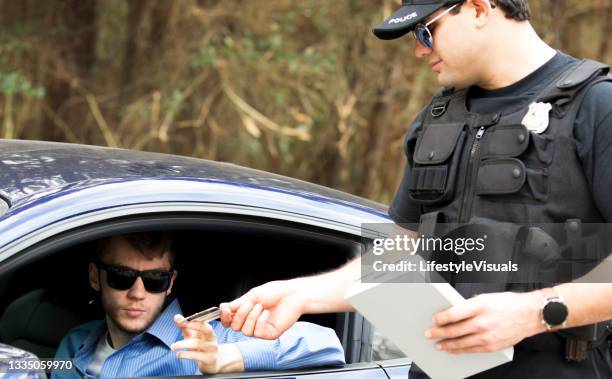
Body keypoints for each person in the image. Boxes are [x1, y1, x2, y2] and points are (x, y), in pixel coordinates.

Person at [220, 0, 612, 377]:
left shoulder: (596, 106)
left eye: (426, 33)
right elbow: (398, 258)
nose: (418, 52)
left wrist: (535, 312)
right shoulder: (436, 119)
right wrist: (300, 295)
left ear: (478, 8)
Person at [52, 232, 344, 378]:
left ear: (170, 283)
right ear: (95, 276)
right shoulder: (74, 343)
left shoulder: (204, 341)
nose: (138, 292)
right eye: (121, 276)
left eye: (155, 279)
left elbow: (324, 344)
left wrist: (222, 358)